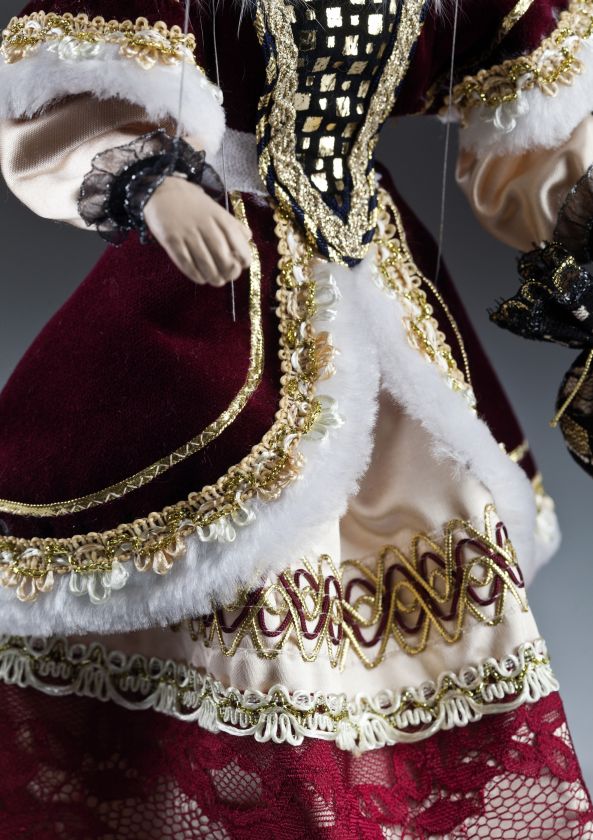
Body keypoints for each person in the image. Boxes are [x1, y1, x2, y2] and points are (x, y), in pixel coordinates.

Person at [0, 1, 591, 837]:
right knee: (210, 557)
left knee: (421, 561)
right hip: (220, 276)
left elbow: (534, 107)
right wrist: (151, 182)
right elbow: (67, 80)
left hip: (370, 283)